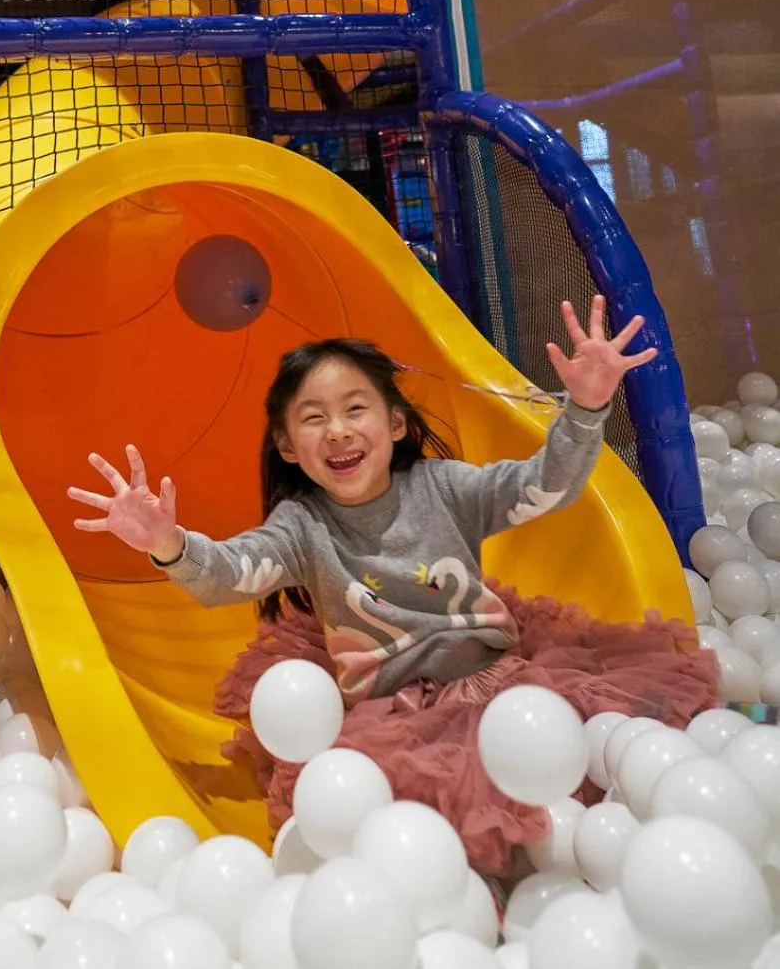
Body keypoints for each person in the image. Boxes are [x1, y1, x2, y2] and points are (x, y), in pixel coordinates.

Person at [67, 297, 718, 876]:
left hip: (501, 683)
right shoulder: (302, 526)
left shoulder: (446, 488)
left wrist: (584, 408)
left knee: (573, 773)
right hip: (395, 718)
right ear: (287, 446)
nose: (339, 430)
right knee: (410, 834)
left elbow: (543, 486)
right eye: (314, 417)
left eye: (356, 410)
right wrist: (166, 543)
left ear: (396, 425)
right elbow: (228, 575)